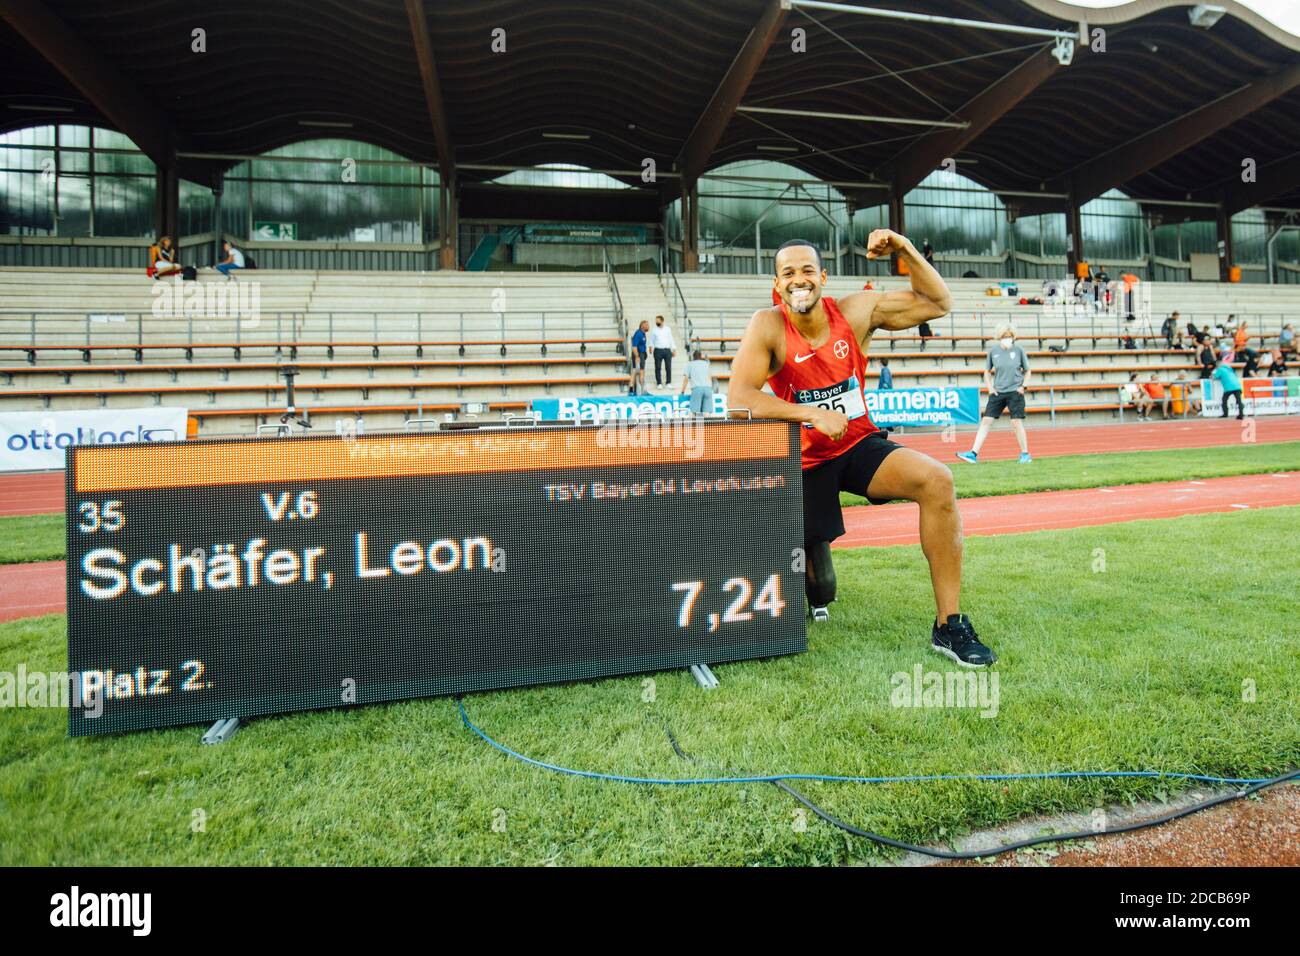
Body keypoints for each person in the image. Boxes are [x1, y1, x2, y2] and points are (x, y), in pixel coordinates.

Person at [727, 233, 997, 666]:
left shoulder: (855, 312)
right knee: (820, 588)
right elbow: (739, 399)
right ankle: (815, 560)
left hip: (856, 445)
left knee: (937, 480)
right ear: (777, 285)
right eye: (788, 273)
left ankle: (949, 625)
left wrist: (905, 249)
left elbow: (938, 303)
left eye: (807, 270)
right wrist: (811, 414)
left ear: (823, 277)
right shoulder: (768, 325)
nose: (799, 279)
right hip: (804, 461)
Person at [956, 323, 1032, 465]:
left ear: (1013, 337)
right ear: (999, 337)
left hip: (1015, 391)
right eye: (1004, 336)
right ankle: (973, 454)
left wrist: (1023, 386)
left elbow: (1028, 370)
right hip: (998, 392)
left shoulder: (1019, 350)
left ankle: (1025, 454)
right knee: (986, 421)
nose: (1007, 338)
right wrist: (990, 388)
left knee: (1016, 422)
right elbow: (987, 371)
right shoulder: (993, 351)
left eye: (1009, 336)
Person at [680, 348, 714, 415]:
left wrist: (682, 391)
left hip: (697, 388)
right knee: (707, 413)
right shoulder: (706, 364)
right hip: (708, 388)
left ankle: (696, 422)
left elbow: (686, 379)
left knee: (694, 413)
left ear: (693, 357)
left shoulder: (690, 364)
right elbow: (710, 377)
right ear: (701, 356)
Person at [650, 315, 677, 390]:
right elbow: (652, 340)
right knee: (658, 367)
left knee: (668, 367)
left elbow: (671, 339)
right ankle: (659, 383)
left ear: (662, 321)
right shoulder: (654, 330)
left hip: (667, 350)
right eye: (656, 321)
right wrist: (650, 347)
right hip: (658, 350)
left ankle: (668, 383)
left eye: (658, 321)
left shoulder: (667, 329)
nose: (656, 322)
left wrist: (674, 349)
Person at [629, 320, 649, 395]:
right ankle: (636, 389)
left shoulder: (643, 334)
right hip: (638, 354)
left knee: (640, 371)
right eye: (647, 325)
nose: (648, 326)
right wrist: (637, 356)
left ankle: (640, 389)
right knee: (638, 371)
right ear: (643, 326)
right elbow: (634, 347)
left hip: (642, 354)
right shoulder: (638, 334)